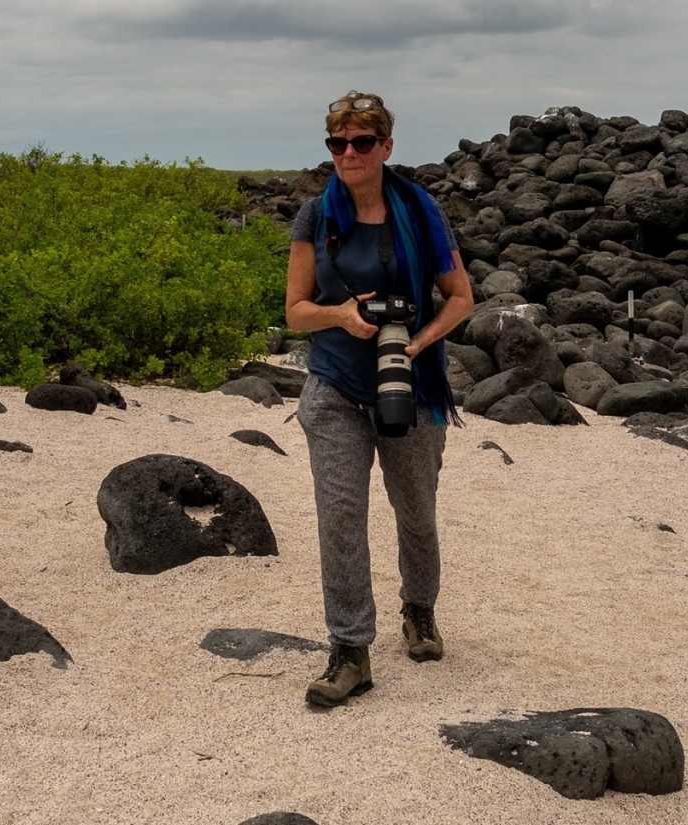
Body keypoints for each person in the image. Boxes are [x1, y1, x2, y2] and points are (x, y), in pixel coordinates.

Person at [285, 90, 474, 708]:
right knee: (340, 518)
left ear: (386, 146)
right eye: (337, 143)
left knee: (415, 511)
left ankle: (419, 608)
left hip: (412, 384)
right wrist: (340, 314)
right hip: (336, 385)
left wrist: (415, 344)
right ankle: (350, 651)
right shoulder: (317, 216)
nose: (348, 153)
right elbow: (296, 312)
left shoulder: (420, 212)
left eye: (361, 142)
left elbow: (461, 297)